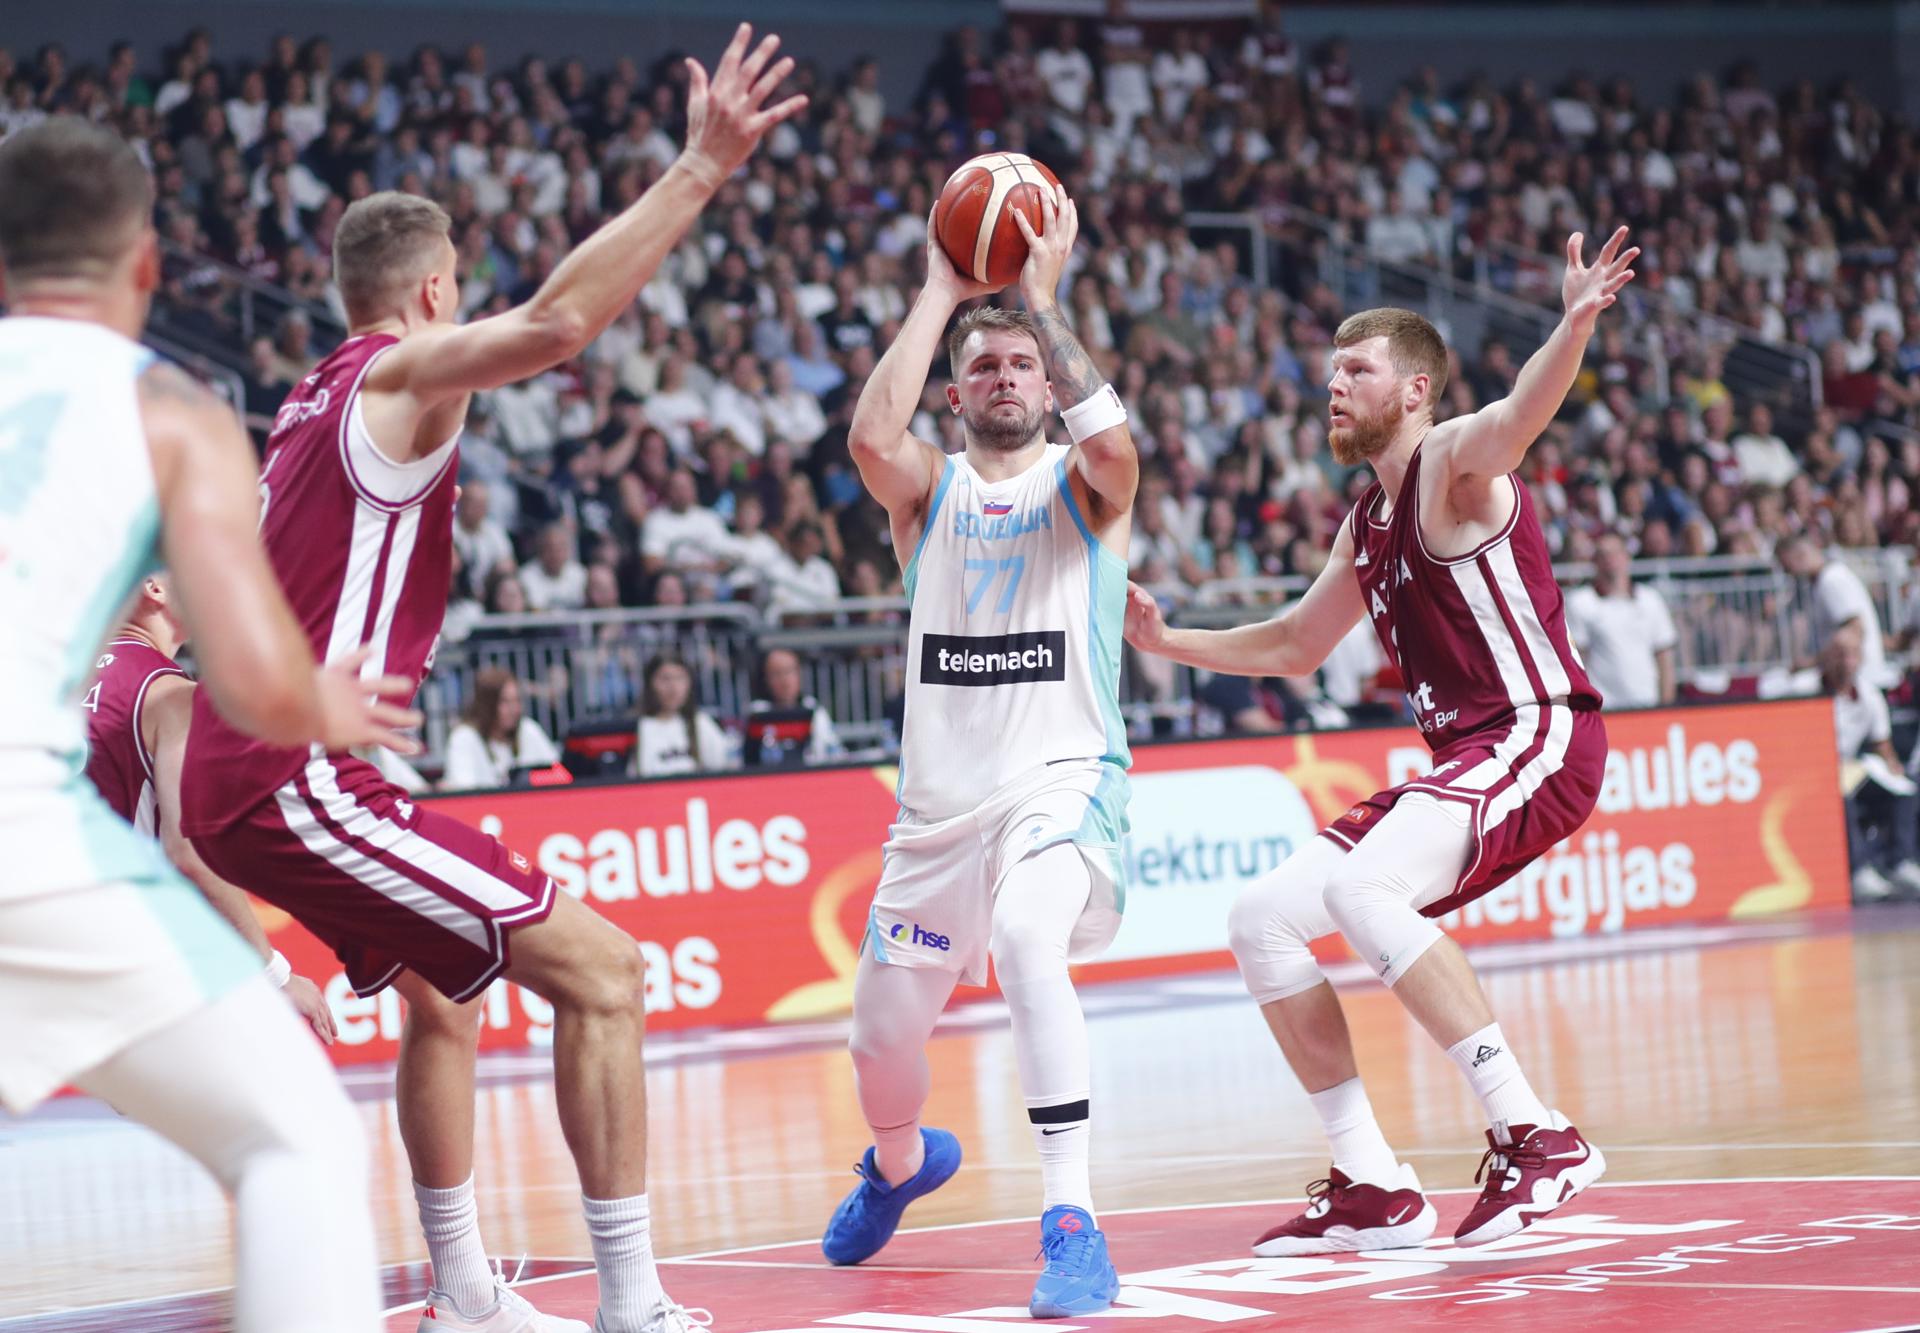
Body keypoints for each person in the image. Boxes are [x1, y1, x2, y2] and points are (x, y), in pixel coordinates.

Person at [177, 28, 804, 1333]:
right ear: (432, 291)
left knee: (441, 999)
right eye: (458, 287)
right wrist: (700, 169)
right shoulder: (402, 372)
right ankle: (633, 1303)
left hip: (243, 768)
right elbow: (562, 325)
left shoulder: (304, 398)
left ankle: (463, 1292)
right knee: (607, 973)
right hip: (295, 773)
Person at [1126, 228, 1639, 1255]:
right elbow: (1294, 644)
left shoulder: (1454, 464)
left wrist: (1574, 324)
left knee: (1366, 889)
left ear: (1415, 391)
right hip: (1469, 758)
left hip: (1539, 731)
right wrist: (1165, 639)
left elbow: (1520, 414)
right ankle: (1371, 1180)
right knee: (1262, 920)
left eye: (1356, 370)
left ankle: (1536, 1134)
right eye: (1330, 371)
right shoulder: (1364, 523)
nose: (1334, 386)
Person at [0, 119, 420, 1333]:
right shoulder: (171, 412)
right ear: (145, 262)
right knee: (295, 1142)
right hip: (25, 839)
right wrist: (324, 698)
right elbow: (255, 683)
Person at [826, 185, 1136, 1318]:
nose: (1006, 377)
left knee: (1025, 940)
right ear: (954, 395)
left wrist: (1041, 304)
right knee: (878, 1045)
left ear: (1049, 388)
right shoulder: (928, 489)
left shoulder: (1087, 487)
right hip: (936, 818)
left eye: (1022, 366)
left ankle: (1071, 1221)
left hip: (1060, 788)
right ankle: (902, 1163)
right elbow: (871, 438)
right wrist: (940, 289)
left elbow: (1117, 447)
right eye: (984, 367)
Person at [83, 575, 336, 1041]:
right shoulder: (170, 695)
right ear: (154, 587)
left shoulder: (57, 677)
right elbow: (191, 852)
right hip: (114, 950)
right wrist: (275, 975)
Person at [1825, 636, 1920, 902]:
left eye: (1852, 655)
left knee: (1905, 788)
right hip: (1820, 772)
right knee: (1841, 797)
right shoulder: (1811, 690)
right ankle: (1859, 871)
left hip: (1853, 768)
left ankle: (1900, 861)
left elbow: (1882, 744)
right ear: (1829, 658)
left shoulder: (1868, 695)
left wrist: (1894, 767)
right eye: (1841, 655)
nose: (1846, 662)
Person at [1564, 530, 1678, 709]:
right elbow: (1578, 661)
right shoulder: (1580, 602)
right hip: (1605, 708)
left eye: (1615, 553)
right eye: (1603, 554)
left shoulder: (1650, 600)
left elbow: (1664, 657)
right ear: (1595, 561)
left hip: (1648, 704)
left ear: (1627, 557)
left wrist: (1667, 705)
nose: (1610, 559)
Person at [1781, 532, 1893, 688]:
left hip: (1858, 678)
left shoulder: (1831, 580)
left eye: (1786, 566)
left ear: (1799, 556)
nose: (1787, 573)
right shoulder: (1824, 580)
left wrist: (1812, 663)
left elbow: (1854, 630)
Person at [441, 667, 561, 790]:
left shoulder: (528, 729)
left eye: (517, 701)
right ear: (487, 705)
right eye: (505, 702)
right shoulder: (464, 737)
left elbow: (558, 775)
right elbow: (464, 789)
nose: (514, 709)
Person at [631, 653, 734, 778]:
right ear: (650, 683)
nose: (673, 687)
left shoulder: (701, 722)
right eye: (665, 679)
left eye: (680, 678)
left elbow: (724, 769)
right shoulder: (640, 727)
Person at [744, 646, 844, 766]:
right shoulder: (757, 713)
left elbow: (835, 752)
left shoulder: (814, 709)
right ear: (765, 678)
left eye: (789, 671)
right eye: (777, 673)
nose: (785, 680)